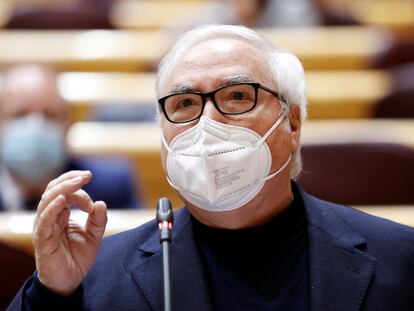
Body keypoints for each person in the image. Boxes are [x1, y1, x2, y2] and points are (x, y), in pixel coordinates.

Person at [8, 25, 414, 310]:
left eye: (237, 96)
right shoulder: (94, 278)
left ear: (291, 123)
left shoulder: (401, 260)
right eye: (184, 104)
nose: (208, 123)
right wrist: (52, 297)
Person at [0, 65, 142, 210]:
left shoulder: (112, 186)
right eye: (20, 115)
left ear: (68, 125)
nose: (35, 126)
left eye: (50, 115)